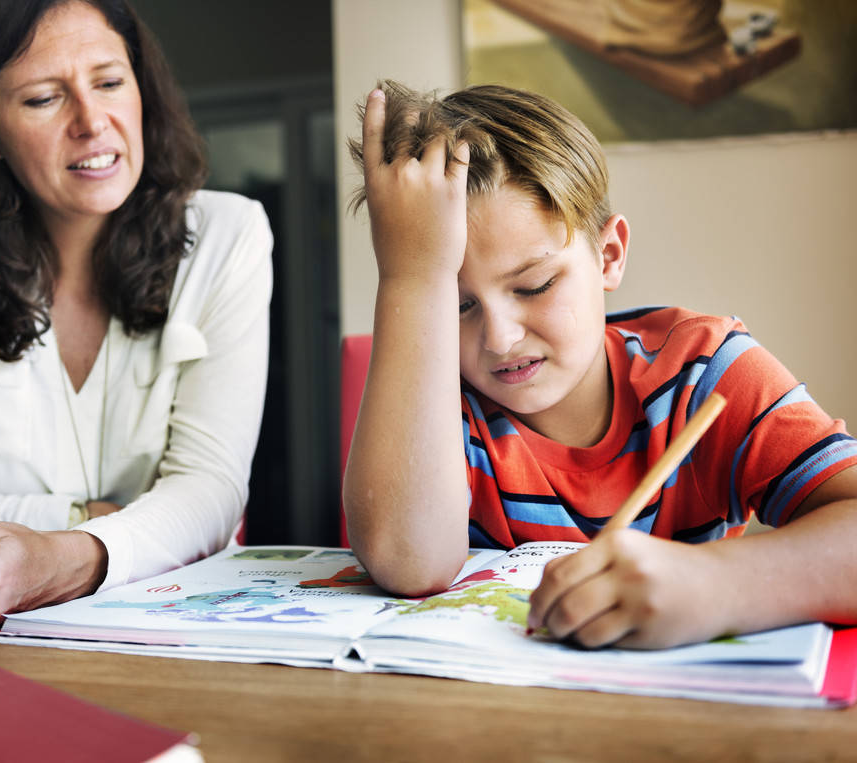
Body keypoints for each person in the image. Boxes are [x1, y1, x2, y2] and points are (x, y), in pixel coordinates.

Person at [343, 81, 857, 649]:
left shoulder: (703, 371)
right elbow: (406, 562)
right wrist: (412, 278)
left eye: (535, 286)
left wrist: (718, 585)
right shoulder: (440, 404)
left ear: (608, 256)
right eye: (456, 304)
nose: (499, 337)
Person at [0, 0, 272, 637]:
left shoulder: (230, 235)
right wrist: (94, 513)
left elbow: (211, 491)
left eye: (110, 83)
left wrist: (53, 557)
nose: (92, 122)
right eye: (42, 100)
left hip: (171, 629)